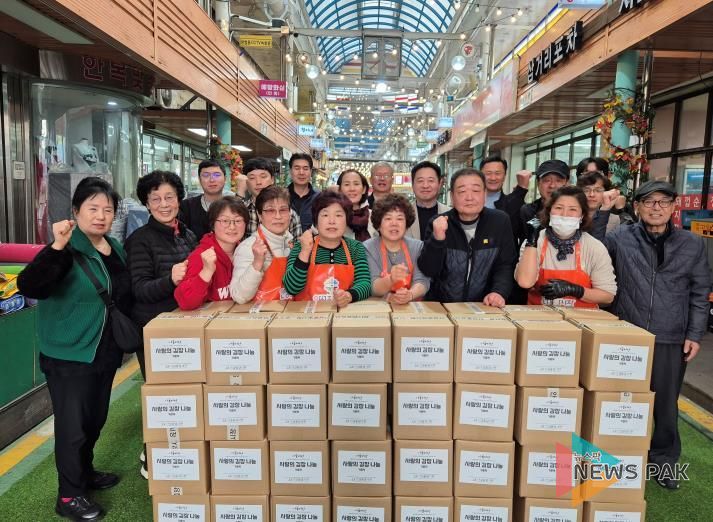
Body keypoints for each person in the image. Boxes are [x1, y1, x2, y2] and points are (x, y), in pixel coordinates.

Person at [17, 178, 131, 521]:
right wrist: (55, 247)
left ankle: (84, 472)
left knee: (95, 418)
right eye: (92, 208)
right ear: (76, 211)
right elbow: (31, 285)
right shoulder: (65, 247)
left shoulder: (114, 246)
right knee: (73, 427)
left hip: (104, 350)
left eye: (107, 210)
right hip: (69, 354)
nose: (100, 216)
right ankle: (69, 495)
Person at [603, 180, 711, 489]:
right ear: (637, 207)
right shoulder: (620, 237)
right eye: (649, 202)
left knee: (665, 405)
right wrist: (603, 212)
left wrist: (694, 333)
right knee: (619, 400)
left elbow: (700, 292)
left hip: (670, 335)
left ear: (674, 206)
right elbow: (593, 249)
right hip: (627, 334)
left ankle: (663, 460)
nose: (656, 208)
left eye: (664, 202)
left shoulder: (692, 243)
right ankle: (616, 456)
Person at [124, 171, 197, 477]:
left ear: (179, 199)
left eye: (169, 197)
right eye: (155, 199)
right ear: (147, 203)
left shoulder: (187, 234)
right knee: (162, 396)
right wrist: (171, 279)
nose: (164, 204)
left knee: (185, 395)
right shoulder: (140, 240)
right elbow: (139, 289)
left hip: (184, 326)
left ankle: (183, 449)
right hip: (154, 331)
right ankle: (153, 452)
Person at [418, 168, 516, 305]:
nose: (469, 197)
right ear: (452, 196)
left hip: (483, 306)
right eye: (462, 191)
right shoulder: (438, 223)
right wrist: (437, 239)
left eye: (476, 191)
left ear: (485, 194)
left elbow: (505, 265)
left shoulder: (500, 221)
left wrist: (499, 292)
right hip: (443, 307)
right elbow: (428, 270)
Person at [515, 186, 617, 308]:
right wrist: (532, 240)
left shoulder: (594, 247)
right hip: (540, 317)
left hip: (582, 318)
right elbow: (525, 282)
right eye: (559, 208)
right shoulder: (535, 243)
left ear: (582, 215)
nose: (564, 215)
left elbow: (607, 296)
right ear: (549, 212)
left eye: (572, 209)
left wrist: (576, 290)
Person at [283, 191, 372, 305]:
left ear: (347, 221)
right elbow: (291, 288)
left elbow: (365, 283)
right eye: (325, 215)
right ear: (316, 221)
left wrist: (349, 295)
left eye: (338, 215)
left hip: (343, 312)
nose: (332, 221)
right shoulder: (301, 246)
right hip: (307, 313)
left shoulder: (355, 248)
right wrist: (305, 252)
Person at [174, 196, 248, 309]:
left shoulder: (247, 252)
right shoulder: (201, 256)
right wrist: (206, 271)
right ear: (213, 224)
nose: (232, 227)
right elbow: (185, 302)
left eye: (238, 221)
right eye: (225, 221)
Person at [230, 186, 294, 303]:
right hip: (261, 312)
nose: (278, 216)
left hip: (290, 310)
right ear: (259, 215)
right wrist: (257, 263)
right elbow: (239, 296)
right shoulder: (248, 247)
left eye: (283, 210)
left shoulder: (292, 243)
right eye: (270, 210)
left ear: (290, 213)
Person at [364, 193, 429, 304]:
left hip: (412, 307)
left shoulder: (418, 247)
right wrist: (391, 279)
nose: (394, 223)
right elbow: (372, 286)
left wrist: (410, 294)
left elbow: (422, 281)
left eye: (400, 219)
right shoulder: (368, 248)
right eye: (388, 218)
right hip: (379, 308)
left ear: (407, 224)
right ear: (378, 224)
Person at [242, 157, 301, 238]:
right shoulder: (243, 210)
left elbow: (297, 244)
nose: (258, 182)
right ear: (246, 181)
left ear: (272, 179)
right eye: (252, 178)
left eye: (263, 177)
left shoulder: (289, 214)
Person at [480, 155, 531, 241]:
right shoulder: (470, 201)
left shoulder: (514, 204)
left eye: (498, 173)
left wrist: (521, 189)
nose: (493, 178)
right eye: (488, 173)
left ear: (504, 176)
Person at [518, 159, 569, 244]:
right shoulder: (528, 211)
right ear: (538, 183)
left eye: (558, 180)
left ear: (567, 183)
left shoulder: (576, 212)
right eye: (546, 180)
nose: (552, 185)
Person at [179, 159, 227, 239]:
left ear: (225, 179)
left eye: (217, 175)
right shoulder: (186, 207)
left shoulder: (232, 206)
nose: (212, 180)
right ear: (199, 180)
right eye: (206, 175)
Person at [406, 160, 450, 240]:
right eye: (420, 181)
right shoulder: (402, 214)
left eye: (431, 180)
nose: (425, 185)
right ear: (412, 184)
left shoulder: (451, 215)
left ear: (440, 184)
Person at [337, 169, 376, 241]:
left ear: (364, 189)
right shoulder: (332, 216)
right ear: (340, 190)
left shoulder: (374, 216)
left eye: (356, 184)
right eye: (347, 184)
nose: (352, 189)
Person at [288, 153, 320, 231]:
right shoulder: (280, 197)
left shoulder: (320, 198)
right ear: (290, 171)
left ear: (311, 172)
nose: (301, 172)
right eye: (297, 168)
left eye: (305, 169)